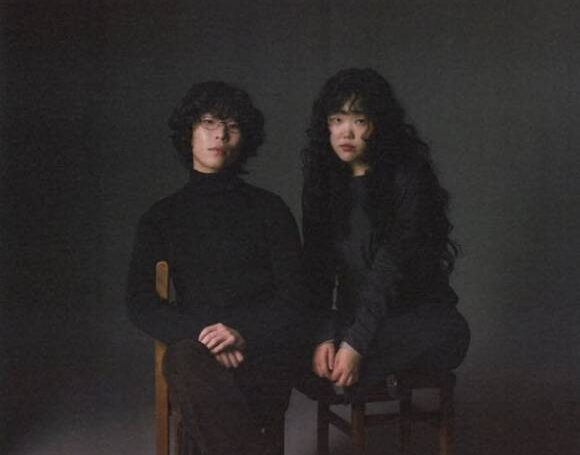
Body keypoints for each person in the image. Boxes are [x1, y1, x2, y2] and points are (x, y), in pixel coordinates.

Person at [126, 81, 310, 455]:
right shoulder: (162, 217)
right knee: (185, 360)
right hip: (196, 353)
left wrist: (242, 333)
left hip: (262, 351)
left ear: (245, 138)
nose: (220, 135)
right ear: (189, 133)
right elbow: (140, 302)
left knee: (197, 384)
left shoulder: (270, 210)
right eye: (208, 122)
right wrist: (205, 337)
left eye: (232, 125)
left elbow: (296, 298)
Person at [301, 68, 470, 392]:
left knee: (445, 335)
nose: (346, 132)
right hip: (355, 317)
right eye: (337, 120)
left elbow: (389, 268)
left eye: (359, 120)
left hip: (415, 316)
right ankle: (374, 375)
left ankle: (367, 374)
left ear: (378, 124)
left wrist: (355, 344)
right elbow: (317, 268)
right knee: (291, 349)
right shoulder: (323, 184)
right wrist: (324, 335)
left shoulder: (407, 178)